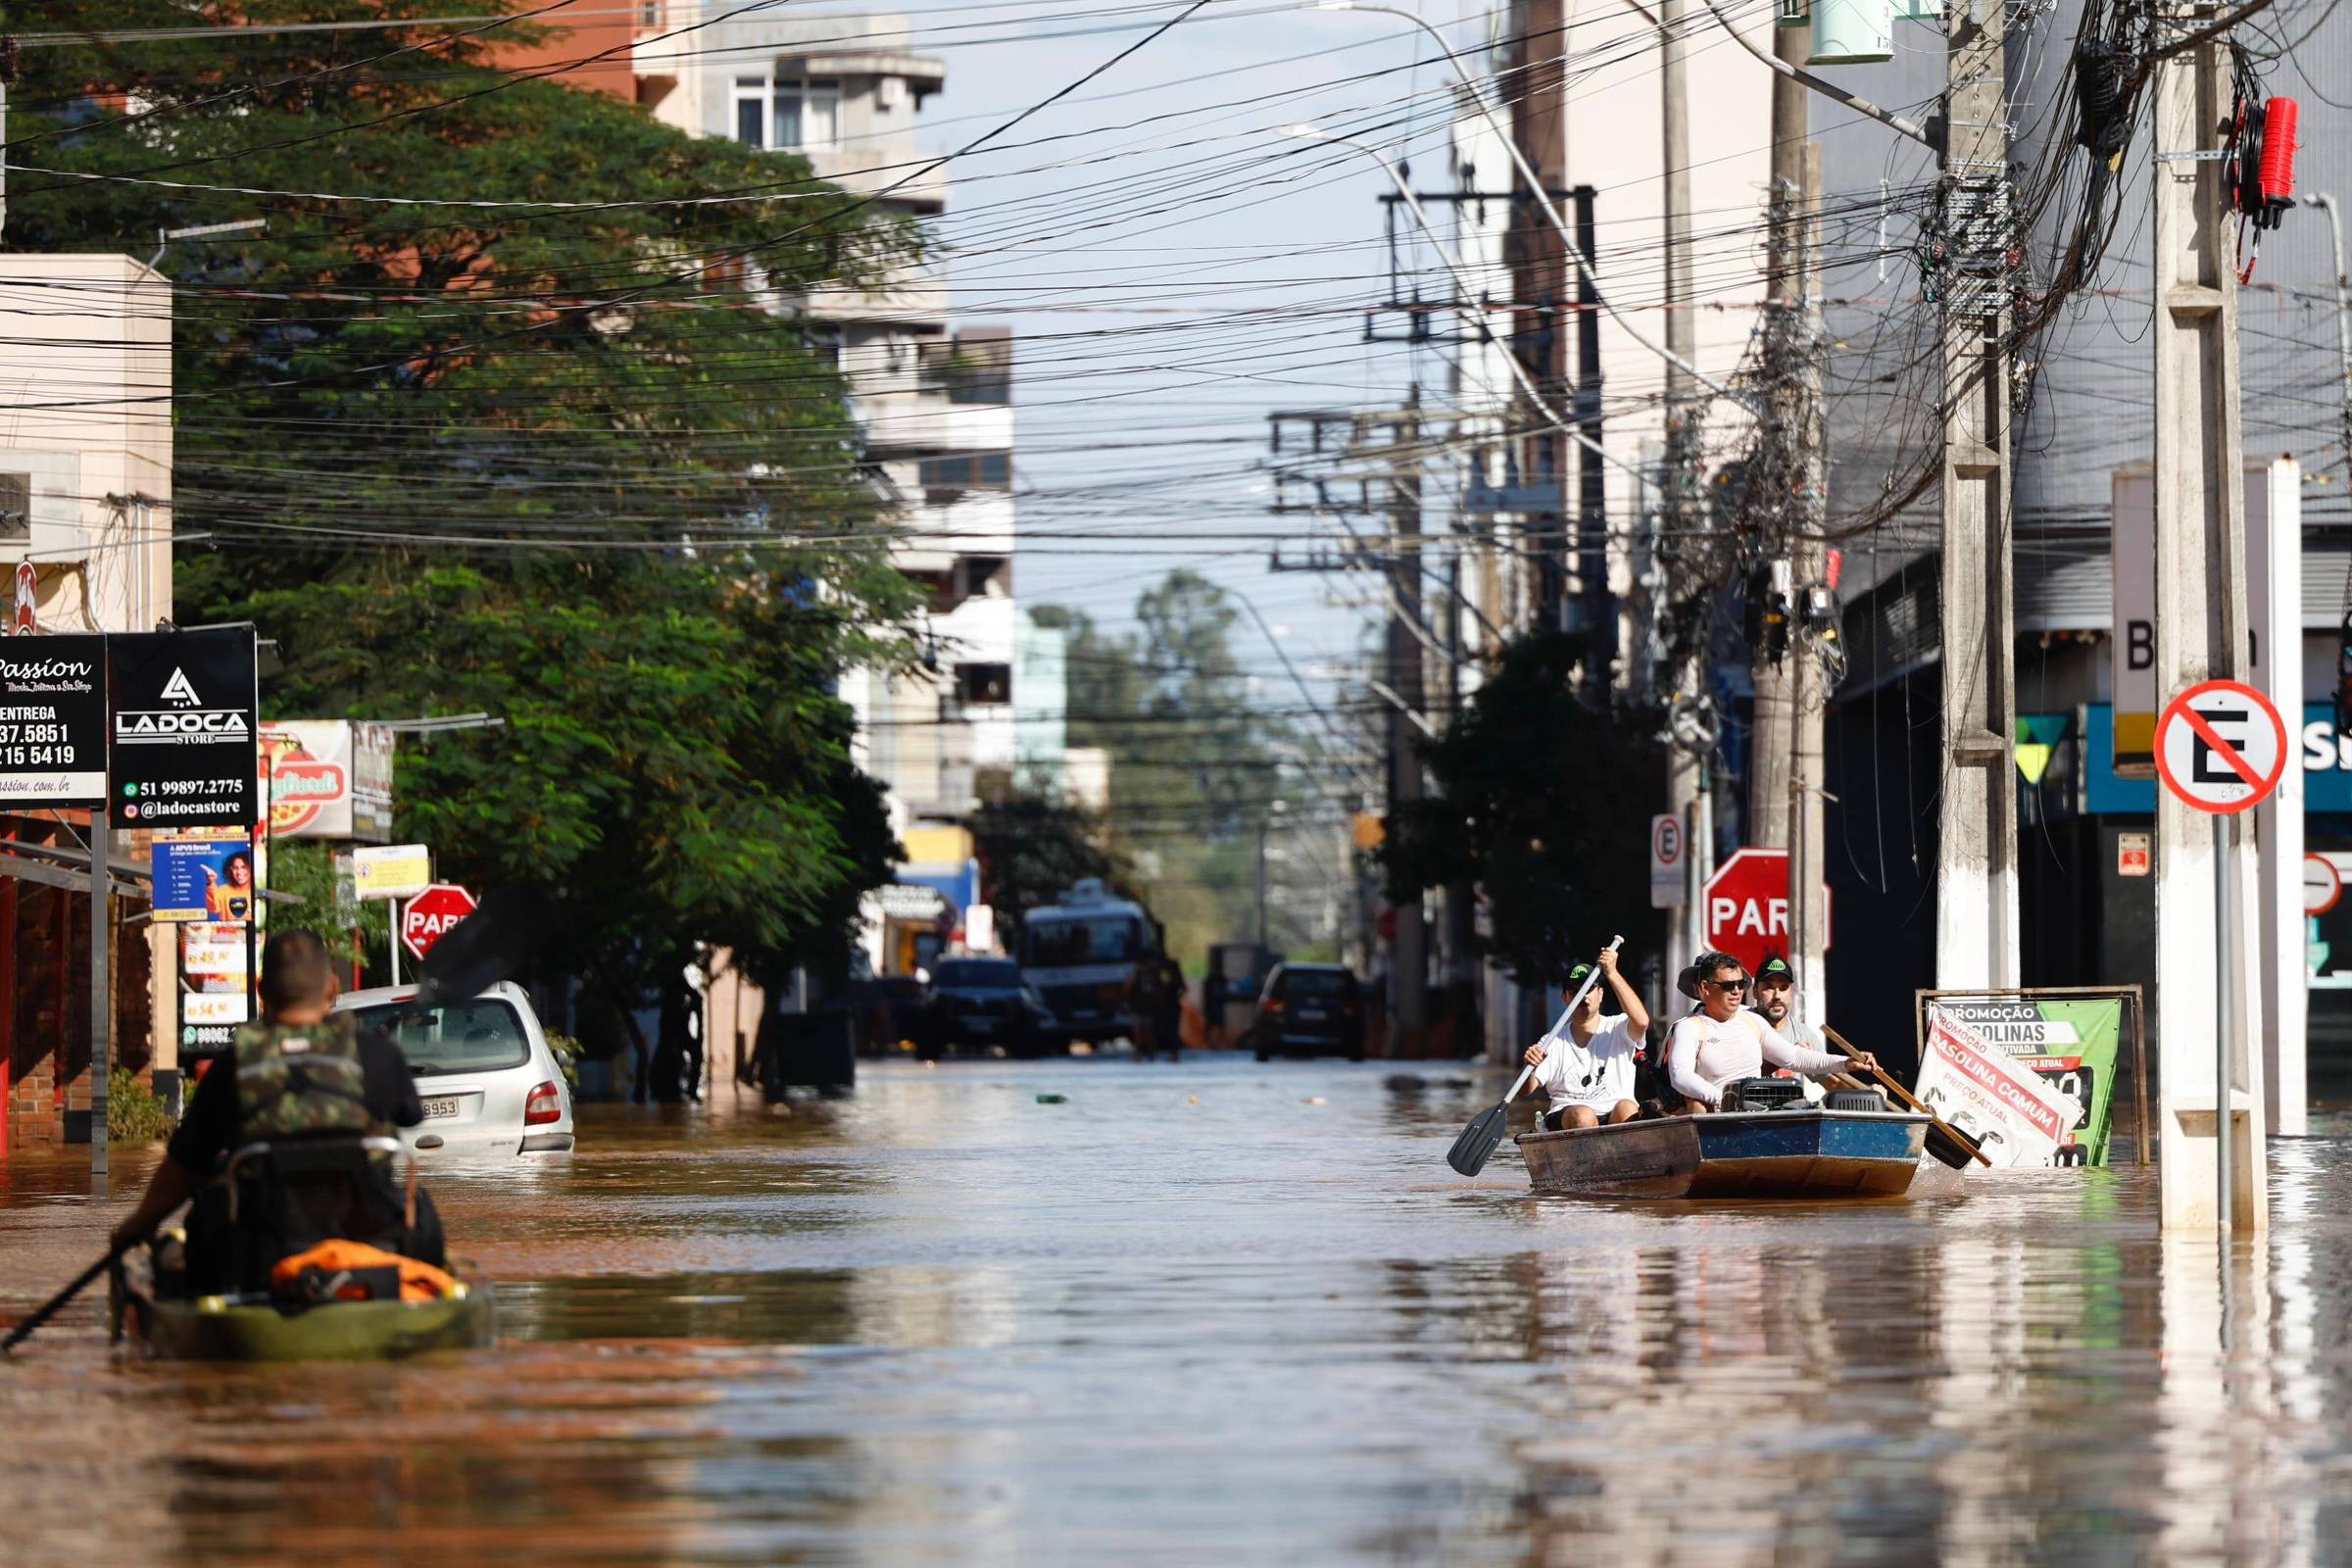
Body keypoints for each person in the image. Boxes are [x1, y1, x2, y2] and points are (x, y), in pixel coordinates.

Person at [110, 929, 446, 1293]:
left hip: (256, 1259)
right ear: (332, 989)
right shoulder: (378, 1055)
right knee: (420, 1209)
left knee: (197, 1221)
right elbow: (409, 1114)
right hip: (371, 1249)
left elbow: (184, 1167)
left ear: (261, 989)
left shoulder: (234, 1065)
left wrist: (138, 1226)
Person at [1667, 951, 1878, 1113]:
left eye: (1740, 984)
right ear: (1705, 988)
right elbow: (1680, 1075)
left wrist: (1847, 1062)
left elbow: (1795, 1057)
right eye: (1728, 985)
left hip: (1758, 1112)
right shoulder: (1689, 1027)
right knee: (1697, 1106)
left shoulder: (1753, 1022)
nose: (1736, 991)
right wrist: (1722, 1097)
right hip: (1716, 1118)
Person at [1520, 945, 1652, 1129]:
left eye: (1588, 989)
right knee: (1583, 1115)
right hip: (1569, 1116)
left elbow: (1642, 1022)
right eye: (1575, 992)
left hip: (1613, 1116)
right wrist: (1529, 1066)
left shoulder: (1618, 1027)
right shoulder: (1551, 1041)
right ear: (1565, 998)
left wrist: (1612, 973)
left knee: (1628, 1108)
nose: (1583, 997)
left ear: (1600, 994)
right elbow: (1525, 1091)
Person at [202, 850, 256, 922]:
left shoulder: (256, 891)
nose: (239, 872)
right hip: (227, 932)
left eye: (243, 867)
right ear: (231, 870)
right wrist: (211, 882)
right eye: (235, 868)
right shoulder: (223, 891)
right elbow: (213, 909)